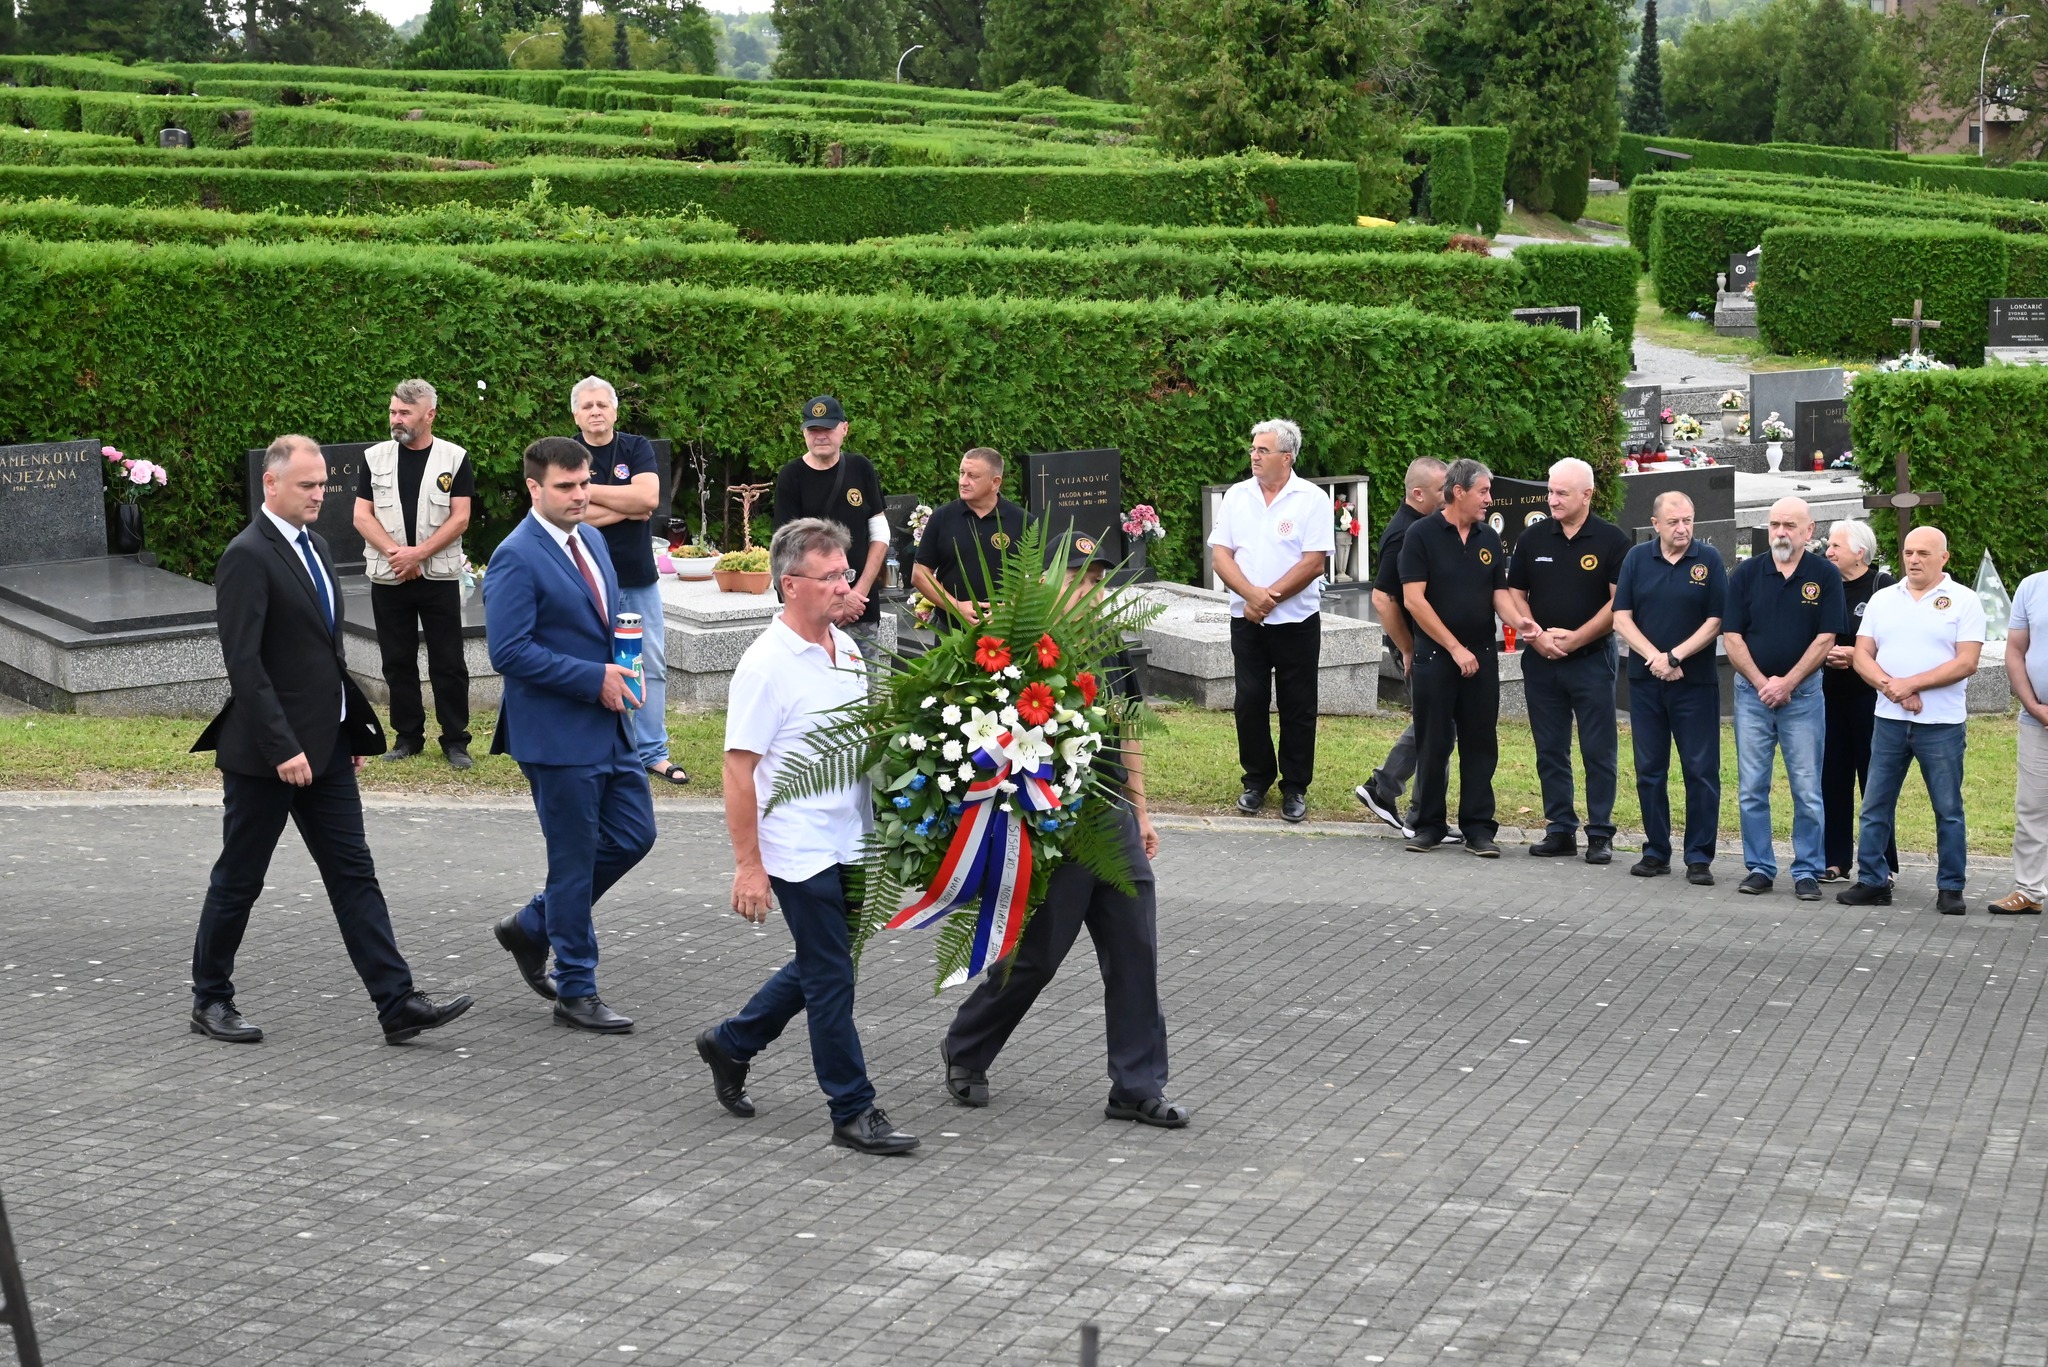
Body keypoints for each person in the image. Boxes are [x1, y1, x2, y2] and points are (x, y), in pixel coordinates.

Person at [188, 434, 473, 1046]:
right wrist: (282, 746)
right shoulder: (246, 556)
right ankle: (210, 999)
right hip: (269, 757)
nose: (320, 495)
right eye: (307, 486)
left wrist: (348, 734)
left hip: (328, 749)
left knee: (354, 874)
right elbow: (245, 664)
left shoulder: (315, 544)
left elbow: (326, 655)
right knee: (240, 878)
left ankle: (396, 1002)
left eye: (323, 485)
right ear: (271, 484)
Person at [942, 544, 1189, 1129]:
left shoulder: (1111, 647)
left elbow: (1130, 729)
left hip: (1111, 819)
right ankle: (967, 1048)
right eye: (1079, 580)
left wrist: (1143, 811)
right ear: (1051, 584)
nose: (1091, 592)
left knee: (1136, 950)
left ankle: (1136, 1084)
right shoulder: (1026, 651)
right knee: (1037, 957)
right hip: (1053, 822)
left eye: (1099, 581)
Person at [697, 518, 920, 1156]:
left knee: (828, 964)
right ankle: (852, 1109)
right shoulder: (765, 666)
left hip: (852, 839)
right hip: (795, 848)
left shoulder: (844, 648)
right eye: (831, 577)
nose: (845, 586)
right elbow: (738, 769)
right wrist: (748, 866)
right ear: (791, 585)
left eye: (845, 573)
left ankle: (732, 1042)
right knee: (831, 980)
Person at [484, 436, 657, 1032]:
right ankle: (576, 990)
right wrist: (594, 678)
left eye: (585, 483)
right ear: (534, 488)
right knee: (573, 859)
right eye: (566, 486)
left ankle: (533, 925)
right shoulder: (515, 555)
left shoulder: (596, 541)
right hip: (555, 734)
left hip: (611, 723)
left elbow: (605, 624)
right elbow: (508, 651)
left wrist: (623, 666)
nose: (580, 495)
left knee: (635, 835)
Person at [1837, 526, 1985, 913]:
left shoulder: (1964, 601)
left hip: (1942, 725)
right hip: (1888, 720)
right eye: (1908, 552)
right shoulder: (1884, 599)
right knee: (1875, 804)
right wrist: (1892, 688)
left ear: (1944, 558)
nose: (1914, 560)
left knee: (1947, 808)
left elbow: (1967, 662)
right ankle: (1872, 880)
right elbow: (1861, 654)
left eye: (1923, 553)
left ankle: (1950, 887)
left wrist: (1911, 685)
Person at [1504, 457, 1632, 864]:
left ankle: (1599, 833)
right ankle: (1560, 828)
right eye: (1550, 490)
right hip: (1542, 660)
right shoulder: (1534, 538)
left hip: (1592, 660)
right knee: (1550, 748)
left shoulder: (1611, 541)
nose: (1551, 499)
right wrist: (1536, 634)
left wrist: (1577, 638)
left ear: (1587, 495)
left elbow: (1619, 603)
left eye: (1561, 493)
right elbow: (1515, 593)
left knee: (1598, 749)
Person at [1398, 458, 1528, 857]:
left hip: (1482, 658)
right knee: (1434, 742)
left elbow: (1498, 593)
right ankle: (1429, 824)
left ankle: (1478, 827)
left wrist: (1523, 623)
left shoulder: (1489, 538)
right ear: (1459, 492)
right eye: (1483, 491)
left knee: (1480, 743)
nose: (1489, 499)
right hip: (1437, 658)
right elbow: (1413, 600)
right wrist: (1455, 648)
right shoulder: (1421, 536)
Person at [1207, 419, 1334, 824]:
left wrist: (1267, 598)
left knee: (1298, 706)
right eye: (1253, 449)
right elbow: (1221, 555)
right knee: (1249, 701)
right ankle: (1256, 780)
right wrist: (1251, 596)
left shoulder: (1311, 499)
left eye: (1263, 450)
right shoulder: (1237, 496)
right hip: (1246, 620)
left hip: (1296, 621)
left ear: (1287, 457)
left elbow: (1313, 562)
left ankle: (1295, 787)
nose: (1254, 456)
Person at [1722, 497, 1845, 901]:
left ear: (1809, 531)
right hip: (1753, 696)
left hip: (1804, 697)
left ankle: (1807, 870)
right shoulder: (1746, 573)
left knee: (1807, 787)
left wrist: (1788, 683)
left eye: (1790, 525)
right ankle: (1759, 867)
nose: (1780, 532)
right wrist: (1763, 683)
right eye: (1775, 524)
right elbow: (1733, 637)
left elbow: (1826, 638)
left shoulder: (1824, 575)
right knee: (1752, 786)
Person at [570, 374, 687, 787]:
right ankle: (600, 749)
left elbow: (648, 501)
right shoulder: (566, 454)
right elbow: (568, 515)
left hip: (636, 577)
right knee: (590, 662)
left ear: (615, 410)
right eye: (587, 406)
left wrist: (590, 495)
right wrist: (626, 504)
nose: (596, 411)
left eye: (603, 404)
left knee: (648, 664)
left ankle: (652, 751)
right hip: (585, 580)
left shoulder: (636, 447)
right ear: (576, 414)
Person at [353, 379, 473, 769]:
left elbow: (461, 516)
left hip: (437, 576)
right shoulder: (374, 458)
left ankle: (455, 740)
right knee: (397, 660)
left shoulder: (454, 458)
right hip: (390, 576)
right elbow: (361, 514)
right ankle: (408, 738)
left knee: (448, 662)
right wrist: (396, 555)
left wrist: (419, 554)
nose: (396, 419)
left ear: (429, 415)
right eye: (393, 412)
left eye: (405, 413)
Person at [1612, 492, 1726, 885]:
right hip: (1646, 684)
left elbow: (1716, 620)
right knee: (1650, 770)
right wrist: (1656, 659)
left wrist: (1675, 657)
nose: (1682, 529)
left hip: (1694, 684)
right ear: (1655, 523)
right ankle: (1656, 850)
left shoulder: (1708, 560)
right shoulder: (1636, 559)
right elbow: (1621, 618)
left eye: (1688, 521)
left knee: (1701, 771)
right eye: (1674, 522)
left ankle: (1699, 857)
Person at [1354, 457, 1449, 841]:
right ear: (1418, 493)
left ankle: (1416, 809)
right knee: (1436, 727)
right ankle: (1392, 793)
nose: (1449, 497)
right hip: (1417, 647)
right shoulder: (1403, 534)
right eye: (1443, 491)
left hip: (1428, 645)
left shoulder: (1423, 527)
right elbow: (1383, 598)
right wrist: (1407, 649)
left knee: (1438, 727)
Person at [773, 394, 889, 656]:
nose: (821, 436)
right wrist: (834, 600)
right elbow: (788, 550)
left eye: (828, 428)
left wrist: (856, 593)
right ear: (804, 433)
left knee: (865, 691)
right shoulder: (791, 477)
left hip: (861, 607)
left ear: (844, 429)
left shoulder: (861, 468)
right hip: (813, 616)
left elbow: (880, 532)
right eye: (813, 429)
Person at [1820, 520, 1897, 884]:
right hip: (1829, 696)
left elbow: (1896, 642)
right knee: (1831, 780)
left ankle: (1883, 861)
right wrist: (1825, 655)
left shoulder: (1883, 589)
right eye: (1829, 546)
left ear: (1859, 553)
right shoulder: (1821, 586)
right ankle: (1835, 859)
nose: (1828, 552)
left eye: (1836, 546)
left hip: (1870, 699)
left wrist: (1857, 656)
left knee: (1875, 782)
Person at [912, 447, 1025, 628]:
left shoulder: (1022, 521)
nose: (963, 481)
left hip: (1007, 632)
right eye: (962, 473)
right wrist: (956, 607)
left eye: (973, 476)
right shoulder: (942, 518)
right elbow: (920, 574)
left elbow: (1038, 577)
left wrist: (1011, 607)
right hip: (951, 631)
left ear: (995, 482)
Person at [1993, 560, 2048, 915]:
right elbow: (2015, 651)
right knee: (2031, 808)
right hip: (2037, 718)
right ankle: (2029, 890)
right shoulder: (2032, 586)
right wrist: (2033, 705)